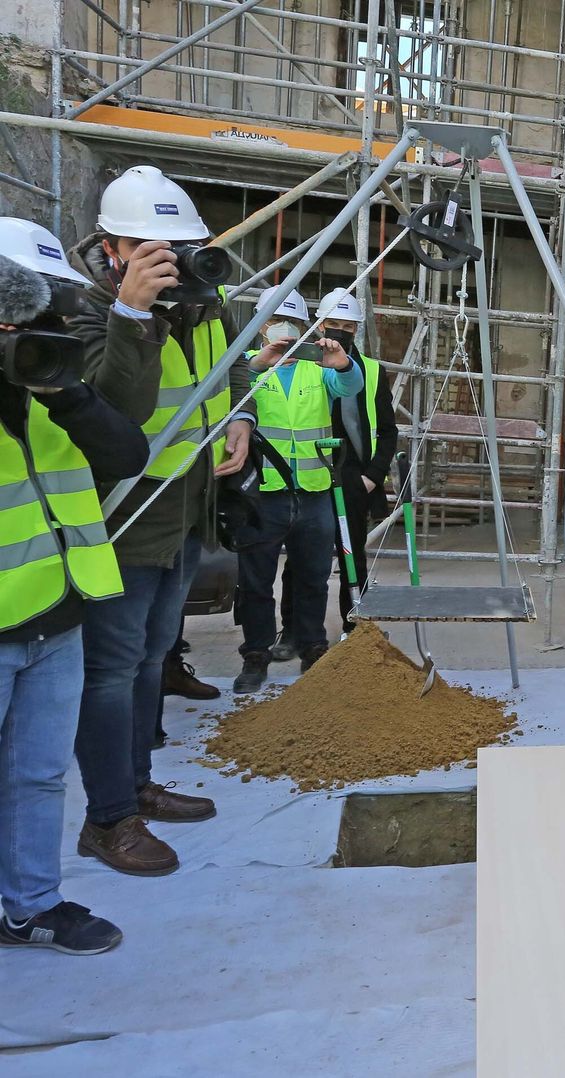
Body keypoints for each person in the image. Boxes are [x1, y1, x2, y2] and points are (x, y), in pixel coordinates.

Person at [67, 165, 254, 876]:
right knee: (111, 672)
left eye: (180, 246)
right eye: (152, 248)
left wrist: (242, 417)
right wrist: (132, 316)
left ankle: (138, 784)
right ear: (113, 248)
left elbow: (233, 370)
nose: (172, 262)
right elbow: (117, 417)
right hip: (124, 523)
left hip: (183, 516)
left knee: (150, 661)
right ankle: (108, 819)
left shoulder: (206, 304)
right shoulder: (85, 311)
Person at [0, 223, 151, 952]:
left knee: (37, 778)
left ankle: (30, 905)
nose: (36, 333)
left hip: (58, 618)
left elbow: (128, 452)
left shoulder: (51, 384)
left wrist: (66, 394)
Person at [231, 287, 362, 693]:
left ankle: (312, 646)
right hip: (261, 493)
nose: (282, 331)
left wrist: (343, 366)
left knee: (313, 577)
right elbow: (227, 395)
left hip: (313, 491)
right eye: (272, 323)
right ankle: (256, 653)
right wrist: (255, 365)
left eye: (290, 323)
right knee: (255, 582)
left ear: (305, 326)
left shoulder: (317, 370)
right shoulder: (247, 368)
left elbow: (350, 387)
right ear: (259, 325)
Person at [273, 286, 396, 654]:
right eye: (333, 324)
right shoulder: (304, 366)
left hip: (353, 475)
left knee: (352, 554)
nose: (340, 331)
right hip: (310, 472)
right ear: (320, 325)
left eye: (348, 325)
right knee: (301, 557)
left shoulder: (370, 371)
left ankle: (355, 625)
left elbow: (387, 430)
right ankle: (293, 631)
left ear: (356, 330)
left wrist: (372, 476)